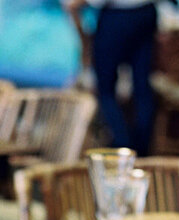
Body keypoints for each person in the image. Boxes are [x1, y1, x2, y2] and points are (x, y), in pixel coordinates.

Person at [68, 0, 160, 154]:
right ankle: (142, 151)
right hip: (146, 13)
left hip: (117, 16)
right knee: (142, 87)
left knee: (105, 89)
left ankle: (122, 146)